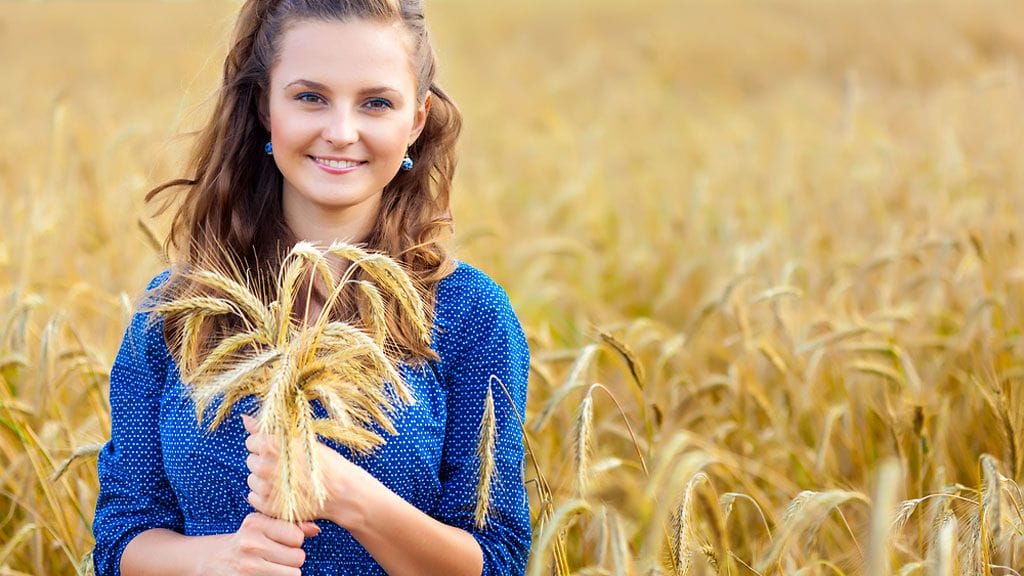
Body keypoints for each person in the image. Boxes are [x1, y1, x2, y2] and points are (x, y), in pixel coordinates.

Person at [90, 1, 531, 575]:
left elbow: (498, 559)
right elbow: (119, 541)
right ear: (264, 106)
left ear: (416, 120)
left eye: (376, 103)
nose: (341, 132)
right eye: (310, 97)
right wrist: (217, 560)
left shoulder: (470, 314)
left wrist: (353, 498)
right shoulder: (176, 309)